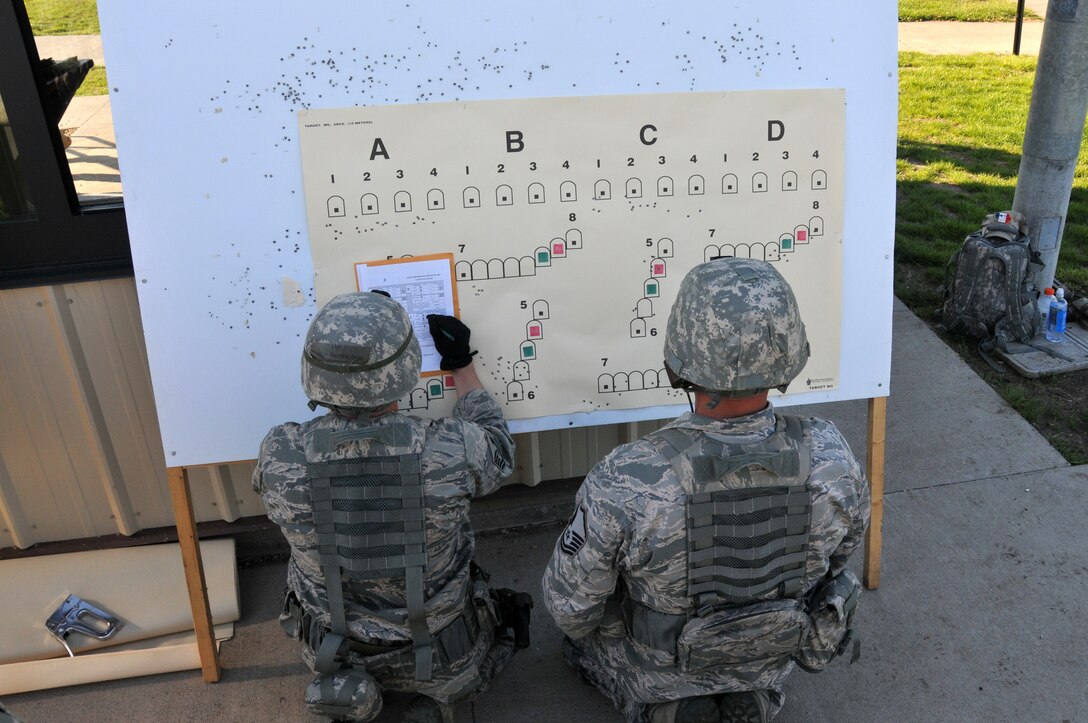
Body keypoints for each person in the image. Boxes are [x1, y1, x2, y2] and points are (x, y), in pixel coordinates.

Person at [541, 258, 871, 723]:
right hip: (768, 654)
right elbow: (839, 559)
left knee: (578, 644)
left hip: (659, 667)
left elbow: (569, 608)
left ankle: (671, 706)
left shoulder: (629, 478)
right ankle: (752, 695)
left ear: (680, 355)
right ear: (789, 353)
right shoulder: (833, 458)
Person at [254, 291, 532, 723]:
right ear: (403, 369)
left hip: (331, 650)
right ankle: (436, 703)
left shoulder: (280, 453)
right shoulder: (452, 448)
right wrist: (461, 364)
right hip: (443, 651)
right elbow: (498, 448)